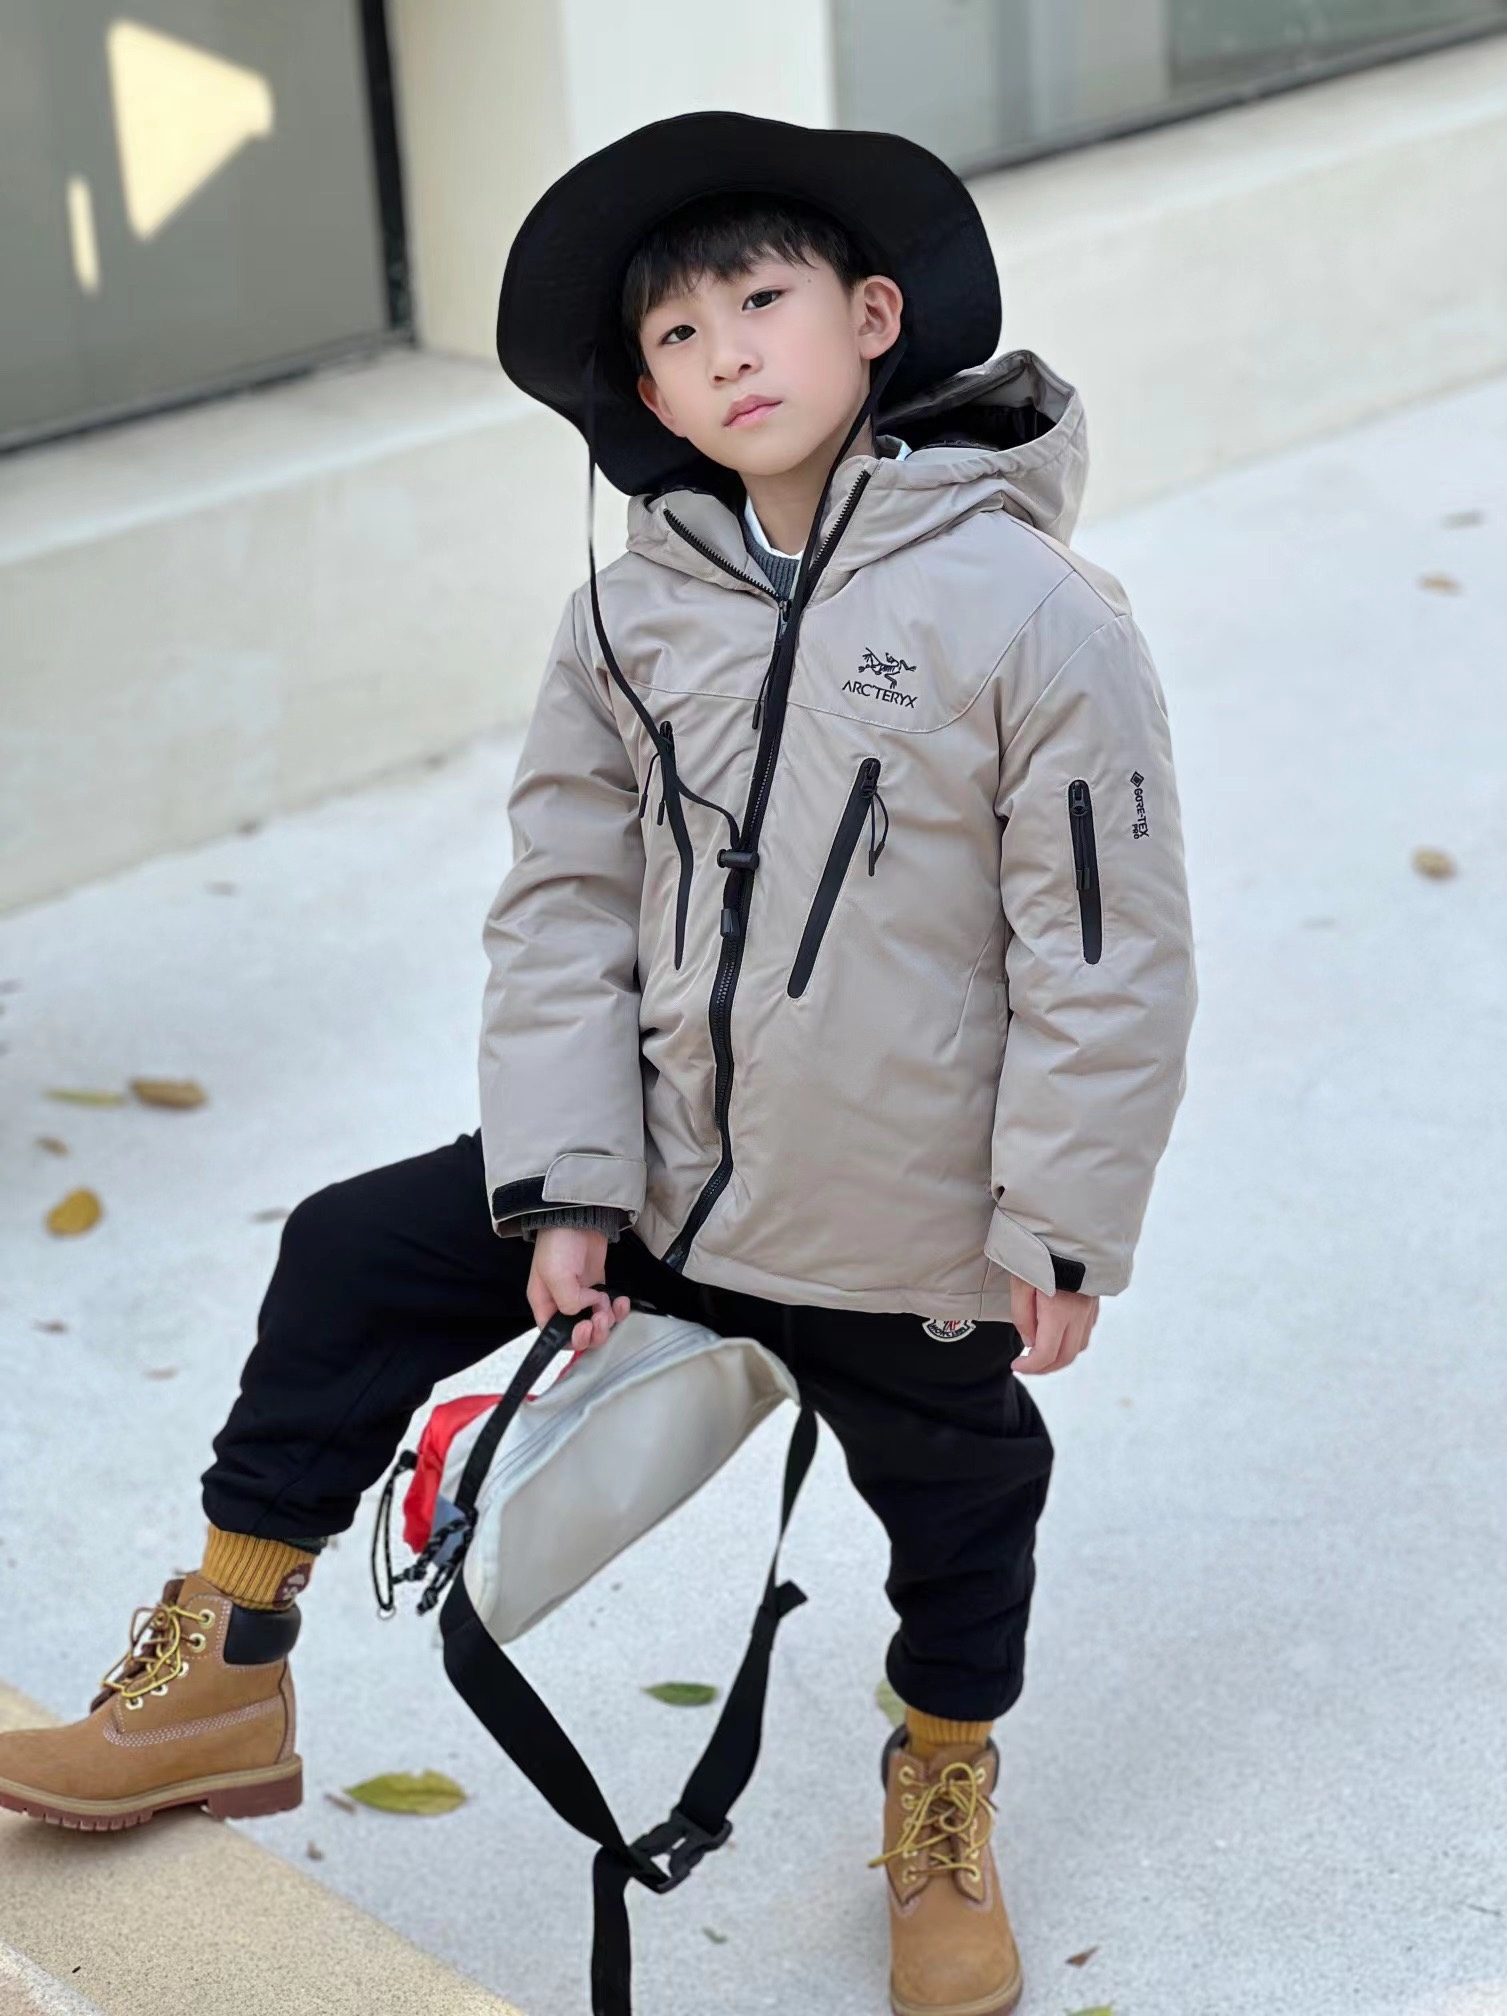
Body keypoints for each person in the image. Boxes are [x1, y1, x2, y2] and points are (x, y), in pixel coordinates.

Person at [0, 111, 1197, 2016]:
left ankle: (944, 1785)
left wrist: (1059, 1218)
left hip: (900, 1223)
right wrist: (563, 1181)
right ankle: (226, 1661)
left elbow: (1104, 952)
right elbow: (565, 898)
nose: (728, 353)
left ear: (873, 315)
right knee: (348, 1256)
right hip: (656, 1172)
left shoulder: (1032, 614)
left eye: (763, 301)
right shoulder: (629, 617)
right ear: (644, 397)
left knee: (967, 1509)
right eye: (676, 337)